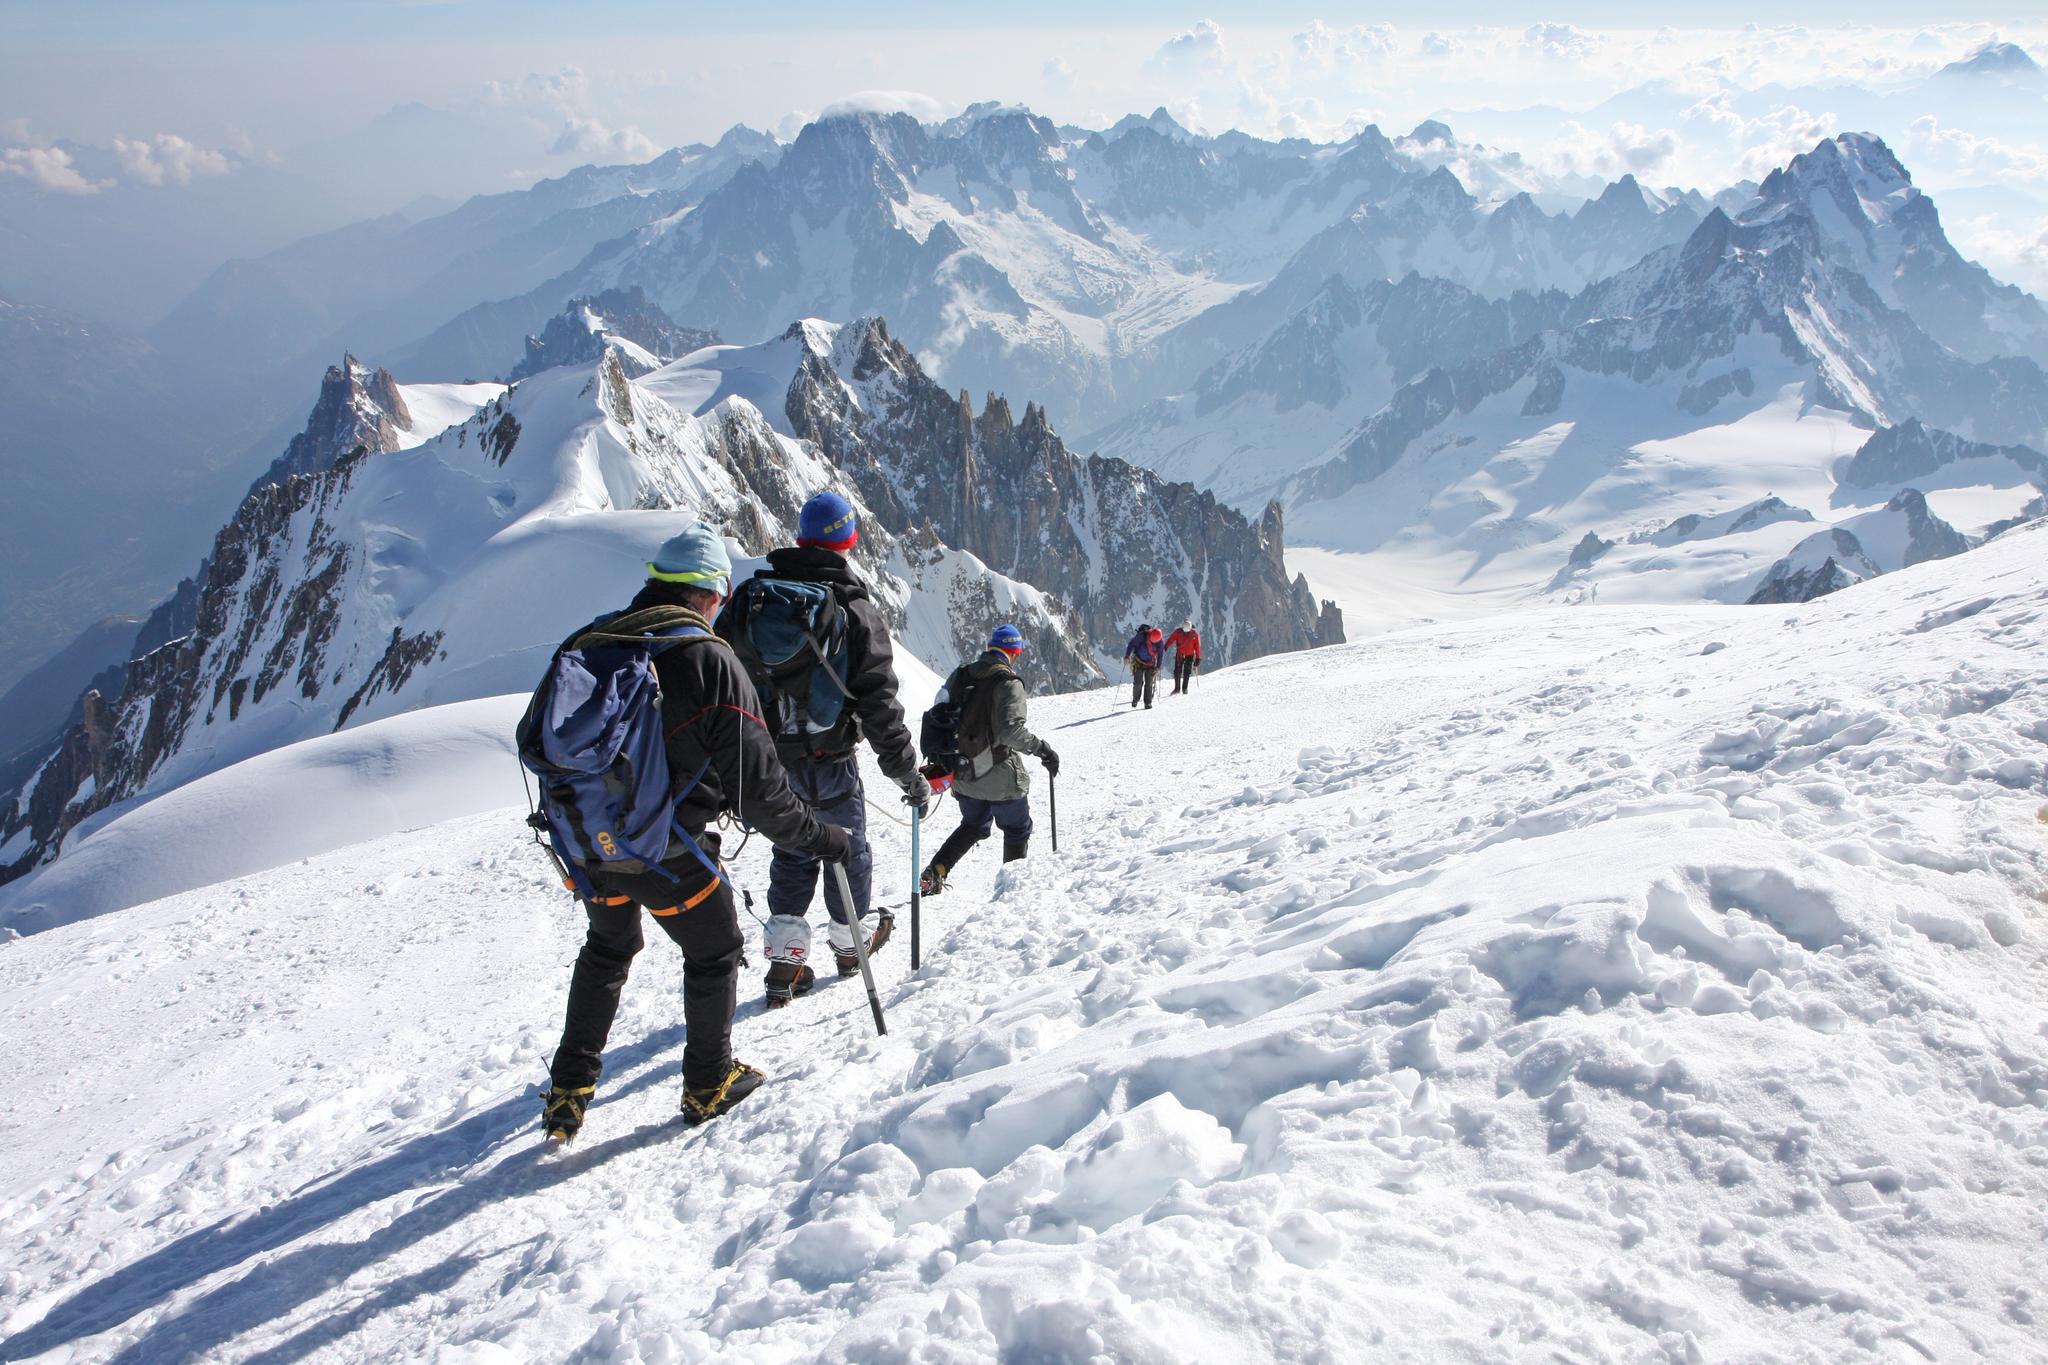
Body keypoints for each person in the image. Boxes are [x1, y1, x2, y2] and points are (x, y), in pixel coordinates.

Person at [539, 525, 851, 1142]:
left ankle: (568, 1091)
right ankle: (708, 1084)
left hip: (588, 844)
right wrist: (825, 838)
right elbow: (762, 794)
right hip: (668, 854)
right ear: (716, 593)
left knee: (608, 948)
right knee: (712, 949)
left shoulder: (592, 639)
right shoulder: (709, 661)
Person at [720, 490, 932, 1005]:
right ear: (849, 540)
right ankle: (849, 945)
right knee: (846, 849)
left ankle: (785, 963)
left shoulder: (752, 599)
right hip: (832, 759)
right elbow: (878, 703)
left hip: (770, 763)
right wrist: (907, 773)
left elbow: (724, 680)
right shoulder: (854, 608)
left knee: (792, 849)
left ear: (798, 538)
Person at [919, 624, 1058, 895]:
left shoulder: (960, 675)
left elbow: (941, 711)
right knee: (1017, 828)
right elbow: (1010, 732)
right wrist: (1042, 749)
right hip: (1000, 778)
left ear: (990, 647)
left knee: (973, 824)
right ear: (1015, 653)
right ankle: (1010, 892)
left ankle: (935, 872)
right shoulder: (1008, 683)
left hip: (962, 773)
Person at [1125, 624, 1165, 709]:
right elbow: (1132, 644)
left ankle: (1148, 703)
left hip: (1150, 663)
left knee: (1149, 683)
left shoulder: (1160, 642)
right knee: (1138, 683)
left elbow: (1161, 655)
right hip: (1138, 661)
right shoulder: (1142, 635)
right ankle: (1135, 699)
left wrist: (1158, 667)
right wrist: (1127, 655)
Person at [1162, 621, 1202, 695]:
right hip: (1183, 654)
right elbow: (1197, 647)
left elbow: (1197, 646)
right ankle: (1180, 689)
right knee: (1179, 671)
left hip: (1184, 655)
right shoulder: (1193, 634)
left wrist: (1198, 658)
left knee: (1184, 672)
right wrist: (1165, 646)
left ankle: (1182, 688)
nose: (1186, 633)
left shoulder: (1180, 632)